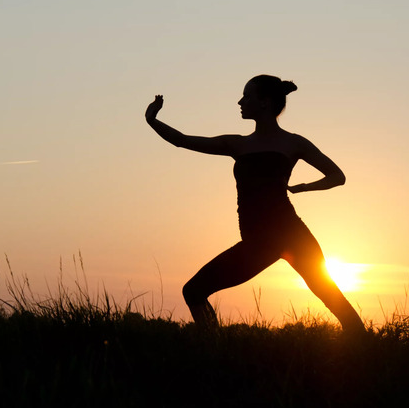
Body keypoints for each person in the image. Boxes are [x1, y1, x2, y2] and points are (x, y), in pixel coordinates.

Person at [145, 75, 365, 332]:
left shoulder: (293, 142)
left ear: (264, 102)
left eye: (247, 96)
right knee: (193, 291)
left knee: (332, 298)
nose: (240, 101)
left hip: (291, 235)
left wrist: (305, 187)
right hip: (257, 242)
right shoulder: (237, 143)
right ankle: (214, 350)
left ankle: (366, 351)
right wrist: (152, 120)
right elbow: (182, 140)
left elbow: (337, 176)